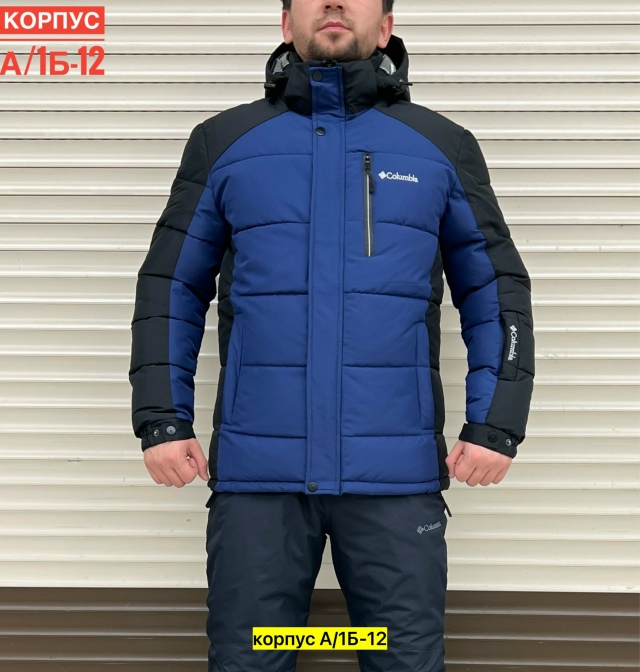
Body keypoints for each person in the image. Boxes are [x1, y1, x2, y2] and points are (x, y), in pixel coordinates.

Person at [128, 1, 535, 670]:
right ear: (287, 23)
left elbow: (496, 292)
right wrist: (161, 419)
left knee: (400, 658)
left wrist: (495, 423)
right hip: (259, 481)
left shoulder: (441, 146)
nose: (336, 3)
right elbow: (171, 287)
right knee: (252, 657)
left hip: (395, 481)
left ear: (388, 25)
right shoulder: (223, 142)